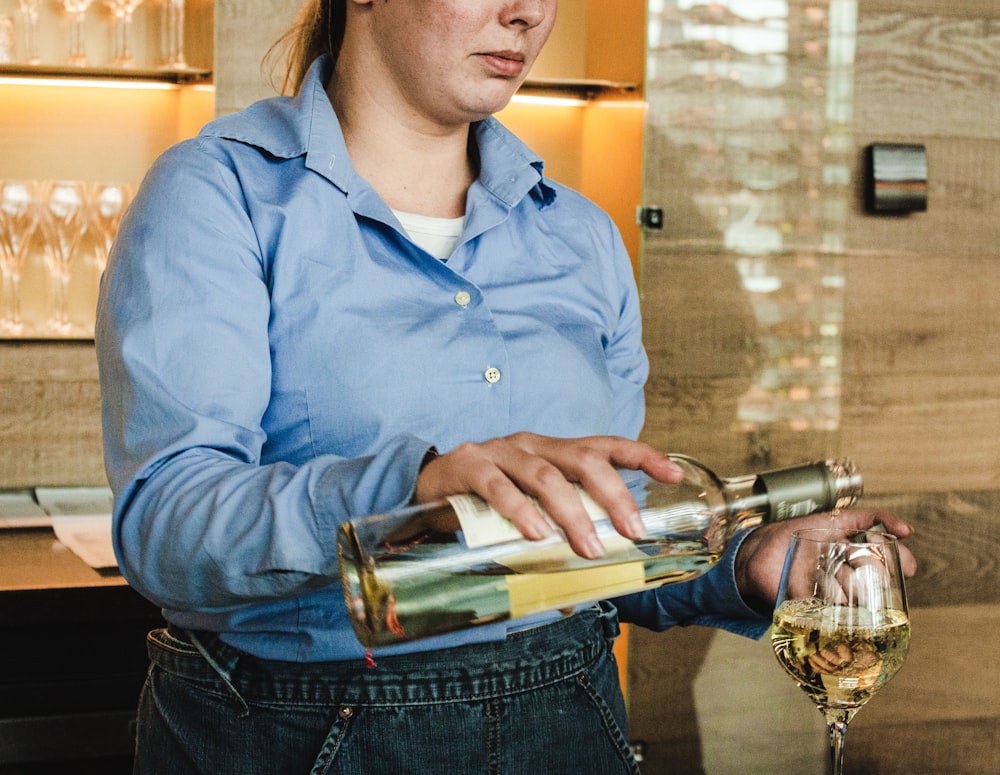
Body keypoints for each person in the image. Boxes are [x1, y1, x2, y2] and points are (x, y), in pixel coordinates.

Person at [95, 1, 917, 773]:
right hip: (294, 731)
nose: (529, 11)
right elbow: (165, 529)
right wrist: (416, 486)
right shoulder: (218, 193)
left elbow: (596, 545)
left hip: (568, 719)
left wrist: (743, 566)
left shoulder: (582, 236)